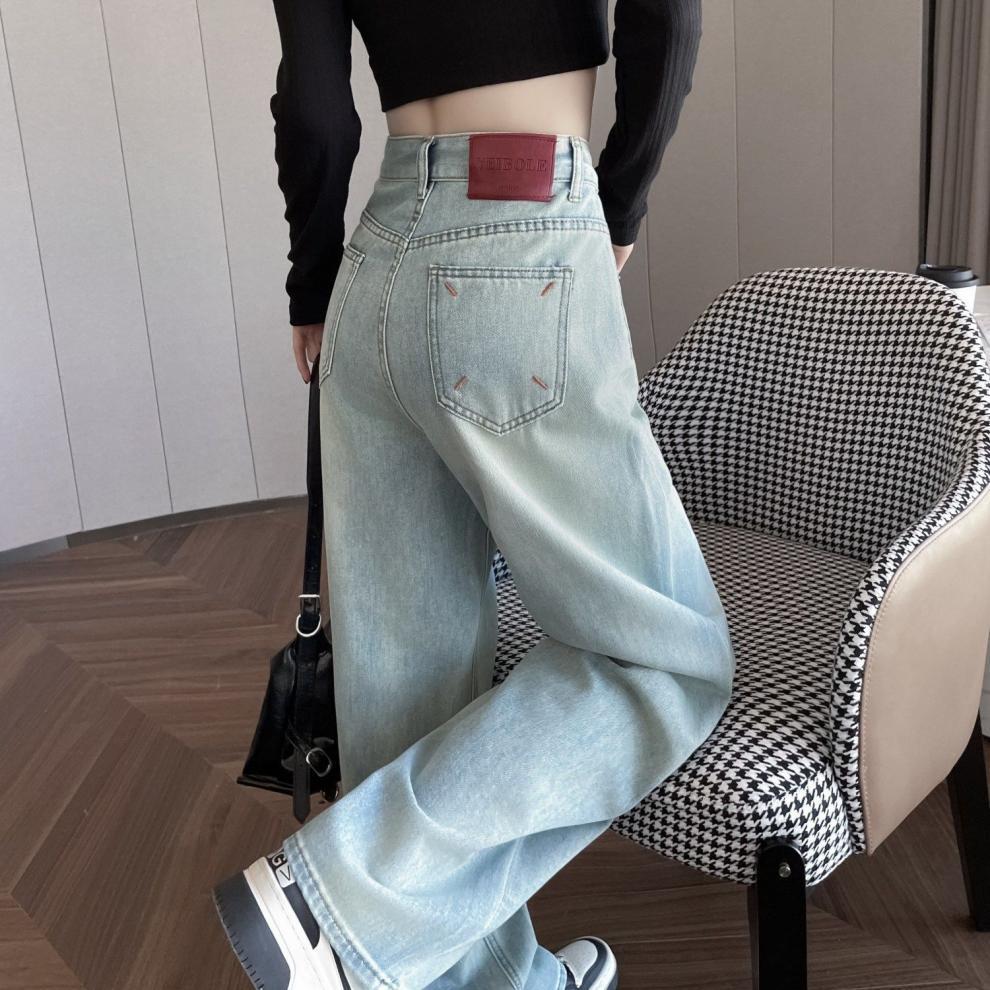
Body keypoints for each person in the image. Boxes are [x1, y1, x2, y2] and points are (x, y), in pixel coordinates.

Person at [212, 1, 736, 988]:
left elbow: (315, 106)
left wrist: (312, 284)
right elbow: (668, 22)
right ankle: (336, 900)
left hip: (375, 262)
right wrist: (620, 203)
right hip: (521, 221)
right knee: (666, 662)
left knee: (405, 687)